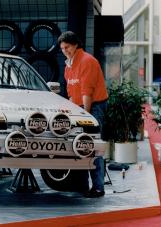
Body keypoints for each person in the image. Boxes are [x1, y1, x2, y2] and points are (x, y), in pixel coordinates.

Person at [58, 31, 108, 198]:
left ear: (76, 45)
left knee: (92, 145)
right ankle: (82, 184)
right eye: (62, 48)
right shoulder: (68, 65)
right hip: (79, 107)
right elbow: (71, 92)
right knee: (78, 145)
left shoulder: (87, 61)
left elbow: (87, 91)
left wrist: (84, 116)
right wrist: (73, 113)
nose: (65, 50)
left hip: (94, 106)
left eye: (67, 47)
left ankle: (98, 187)